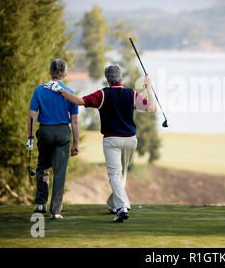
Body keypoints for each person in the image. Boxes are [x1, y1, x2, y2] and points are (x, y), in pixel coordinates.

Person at [44, 64, 156, 223]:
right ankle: (113, 204)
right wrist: (149, 87)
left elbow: (78, 101)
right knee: (121, 175)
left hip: (112, 141)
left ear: (107, 79)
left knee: (115, 175)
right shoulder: (131, 94)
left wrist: (59, 89)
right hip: (131, 140)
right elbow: (151, 107)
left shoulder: (103, 94)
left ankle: (122, 207)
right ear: (121, 78)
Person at [27, 59, 79, 219]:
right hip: (63, 132)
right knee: (60, 172)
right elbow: (75, 121)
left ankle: (41, 204)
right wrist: (76, 143)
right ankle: (55, 211)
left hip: (45, 132)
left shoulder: (39, 90)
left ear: (50, 72)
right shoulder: (69, 93)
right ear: (65, 73)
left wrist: (30, 136)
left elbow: (31, 115)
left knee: (43, 167)